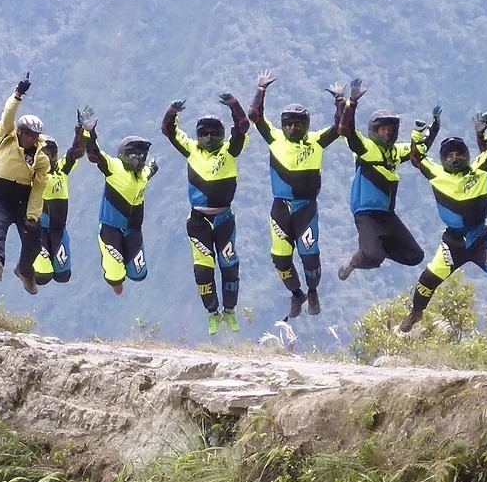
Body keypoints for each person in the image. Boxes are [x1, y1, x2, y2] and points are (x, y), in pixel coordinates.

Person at [397, 115, 487, 340]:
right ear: (443, 158)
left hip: (480, 238)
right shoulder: (436, 173)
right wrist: (418, 133)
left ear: (467, 155)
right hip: (453, 241)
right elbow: (416, 157)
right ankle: (416, 312)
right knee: (428, 279)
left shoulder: (479, 169)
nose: (454, 159)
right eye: (449, 155)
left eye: (459, 154)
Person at [249, 69, 342, 320]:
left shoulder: (317, 141)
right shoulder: (275, 139)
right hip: (280, 207)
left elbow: (341, 127)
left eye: (297, 123)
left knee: (310, 254)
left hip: (306, 207)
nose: (292, 127)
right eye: (288, 123)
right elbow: (255, 117)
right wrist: (261, 90)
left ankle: (312, 292)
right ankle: (296, 294)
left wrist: (340, 101)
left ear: (306, 125)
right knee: (280, 258)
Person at [163, 92, 249, 335]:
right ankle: (212, 313)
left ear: (221, 135)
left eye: (214, 133)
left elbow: (242, 127)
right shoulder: (191, 150)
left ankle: (230, 311)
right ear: (198, 136)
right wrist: (172, 112)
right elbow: (168, 131)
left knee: (229, 266)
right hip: (199, 220)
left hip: (223, 219)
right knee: (203, 269)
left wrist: (234, 104)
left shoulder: (230, 151)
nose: (209, 137)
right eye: (203, 133)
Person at [335, 77, 431, 282]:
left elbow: (416, 152)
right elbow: (346, 130)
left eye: (391, 129)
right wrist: (351, 102)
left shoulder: (394, 152)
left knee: (415, 256)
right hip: (367, 214)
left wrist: (430, 131)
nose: (387, 132)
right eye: (383, 129)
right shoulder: (367, 149)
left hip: (387, 215)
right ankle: (353, 261)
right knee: (373, 257)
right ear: (374, 130)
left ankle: (377, 247)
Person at [0, 72, 52, 295]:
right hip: (1, 198)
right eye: (28, 133)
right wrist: (18, 94)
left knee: (34, 240)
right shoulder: (6, 136)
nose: (31, 138)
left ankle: (24, 270)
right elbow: (7, 115)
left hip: (23, 199)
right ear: (20, 132)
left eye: (35, 135)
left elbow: (39, 188)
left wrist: (32, 216)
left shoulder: (41, 158)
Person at [78, 110, 158, 294]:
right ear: (124, 154)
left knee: (139, 274)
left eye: (141, 156)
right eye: (133, 155)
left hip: (133, 229)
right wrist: (89, 132)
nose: (137, 160)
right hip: (110, 228)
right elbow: (94, 154)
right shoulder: (114, 167)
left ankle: (123, 277)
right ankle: (116, 282)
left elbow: (150, 171)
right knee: (115, 278)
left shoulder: (143, 173)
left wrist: (153, 166)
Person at [31, 112, 84, 285]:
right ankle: (24, 270)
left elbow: (76, 151)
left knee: (63, 276)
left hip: (59, 229)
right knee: (42, 277)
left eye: (50, 154)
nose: (47, 158)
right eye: (43, 155)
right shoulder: (31, 173)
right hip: (38, 229)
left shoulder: (62, 168)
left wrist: (80, 129)